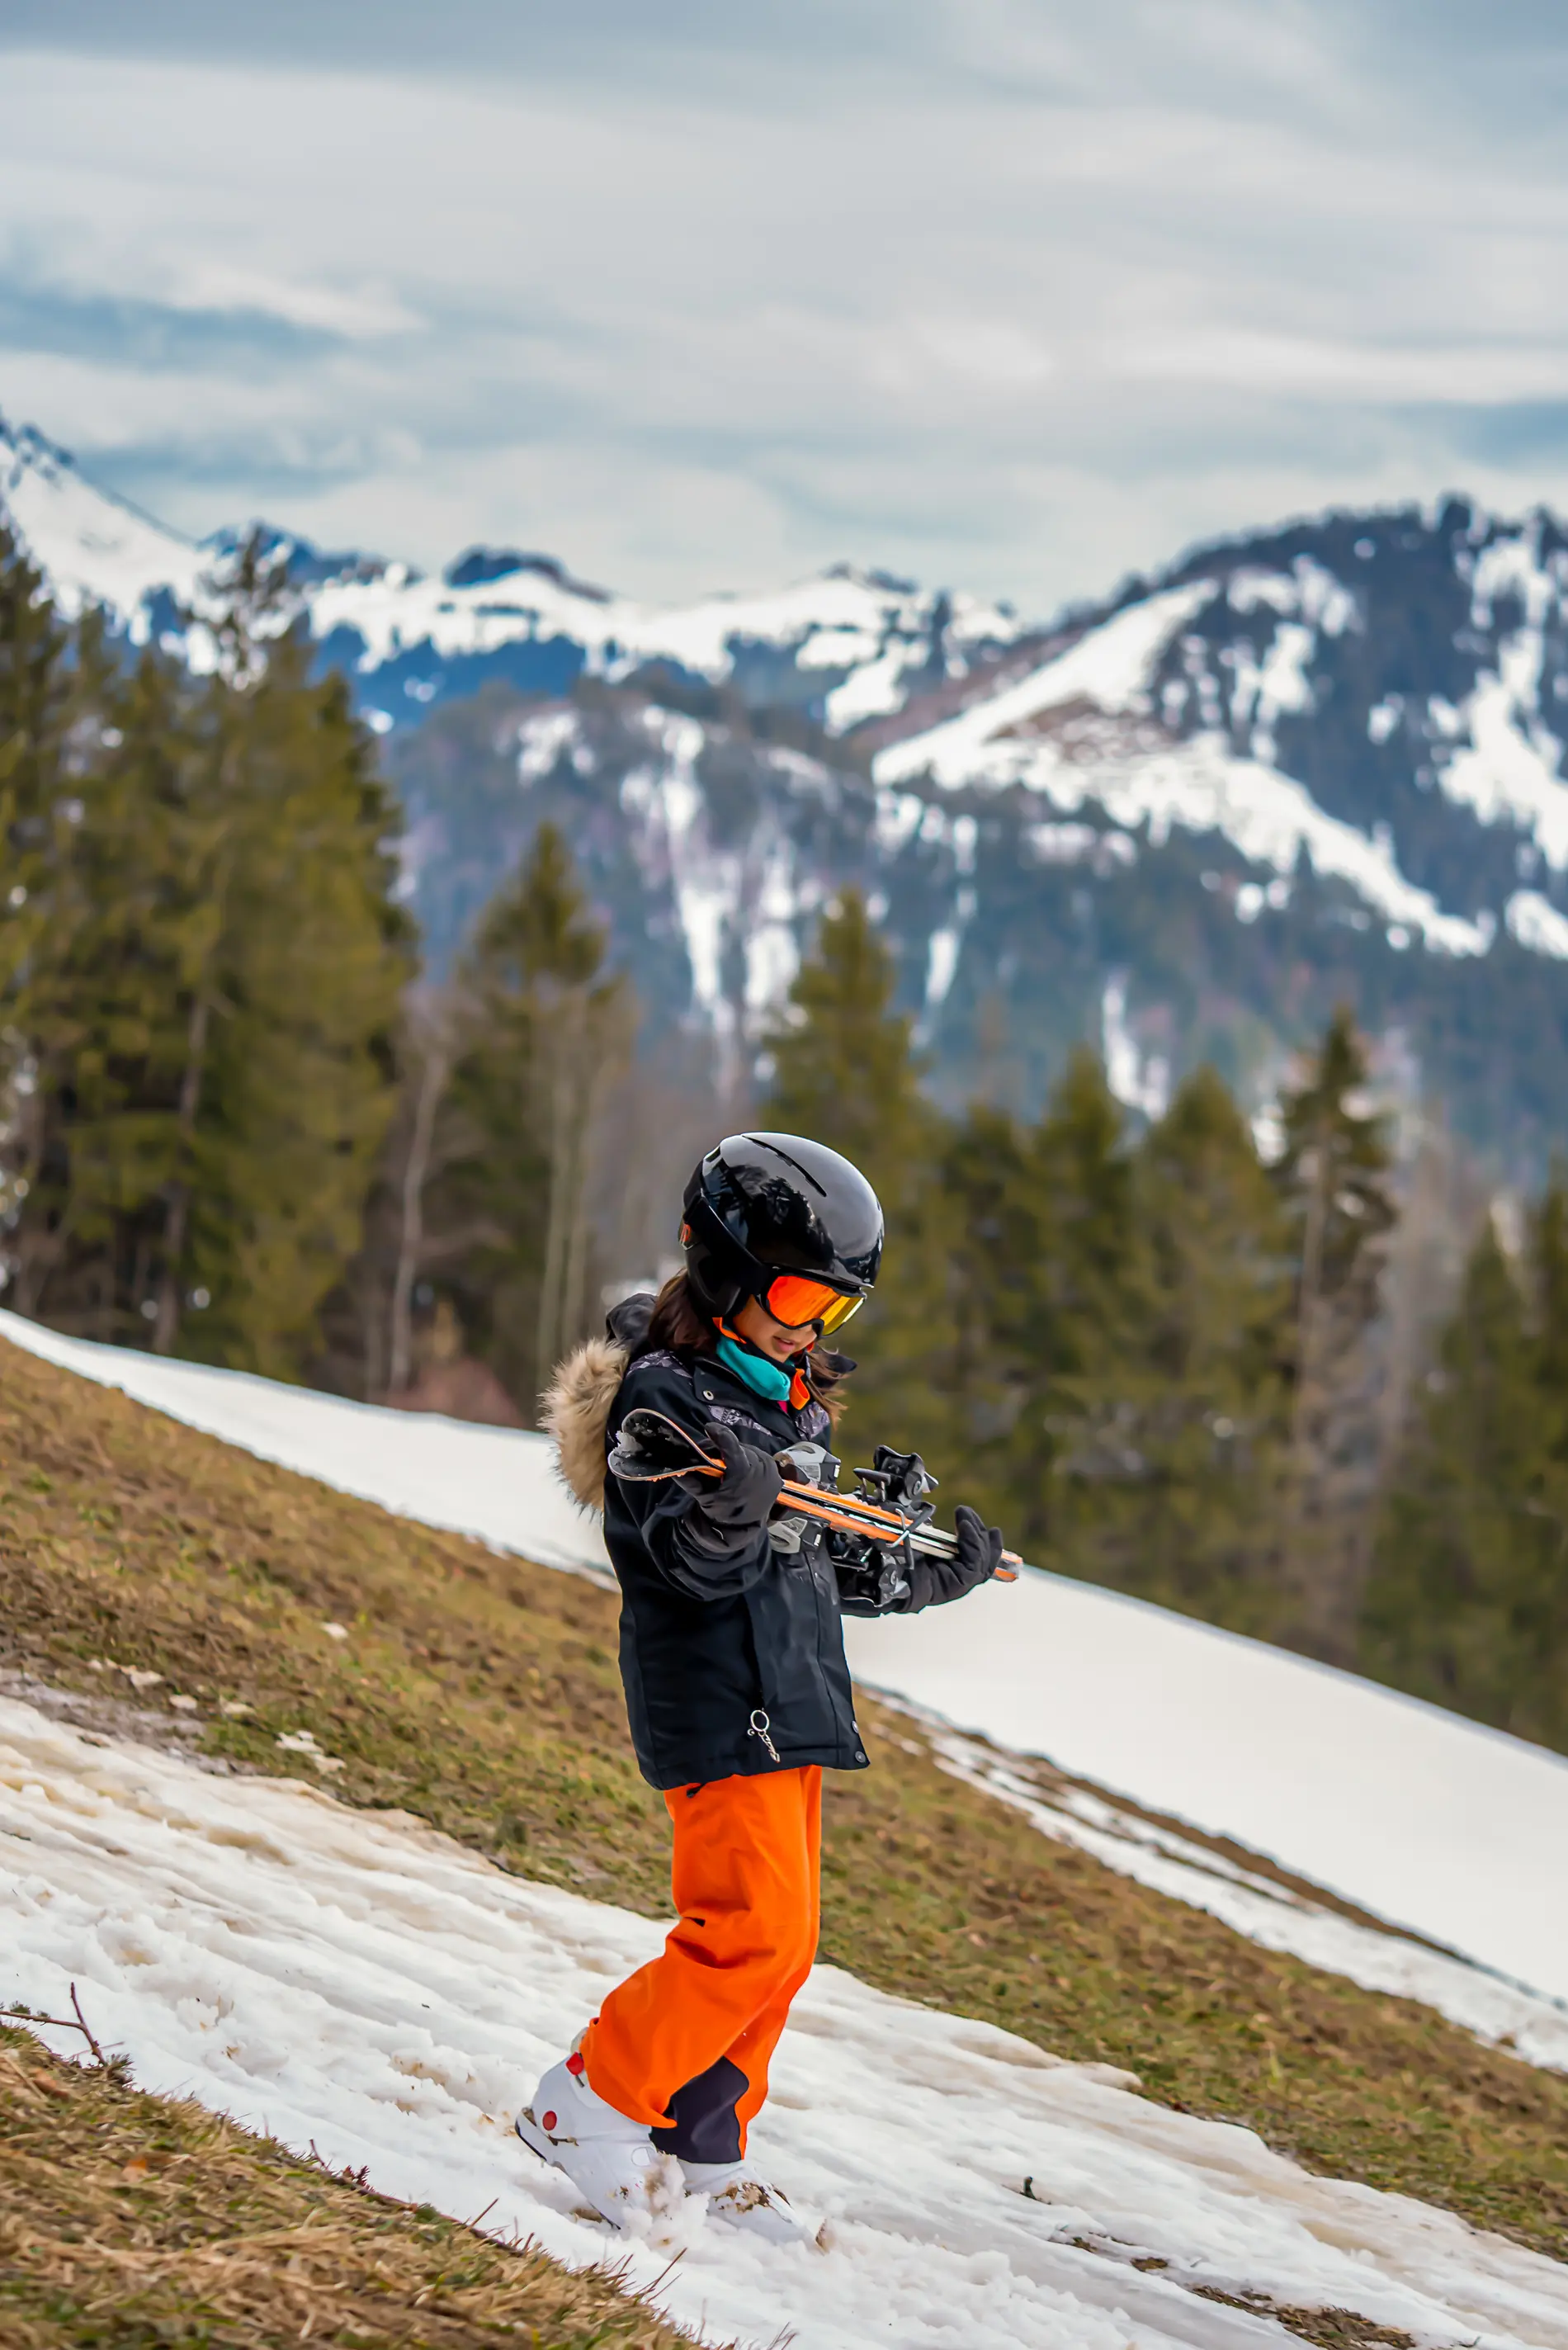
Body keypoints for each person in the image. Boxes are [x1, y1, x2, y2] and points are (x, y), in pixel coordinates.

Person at [520, 1131, 1008, 2241]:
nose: (809, 1325)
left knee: (784, 1945)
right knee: (745, 1929)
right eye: (796, 1294)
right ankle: (591, 2100)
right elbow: (690, 1564)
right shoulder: (662, 1403)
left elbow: (817, 1557)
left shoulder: (784, 1403)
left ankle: (699, 2144)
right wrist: (740, 1499)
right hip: (716, 1702)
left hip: (790, 1700)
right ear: (731, 1268)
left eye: (834, 1310)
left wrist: (917, 1569)